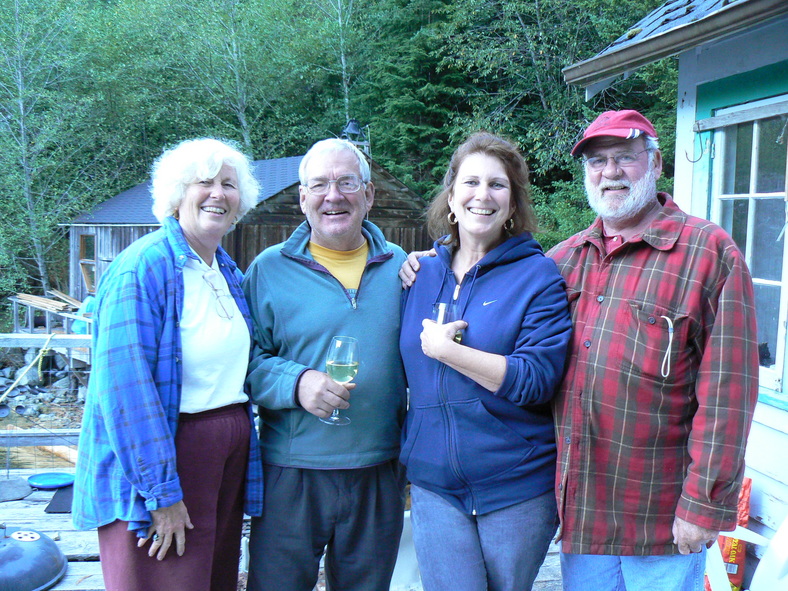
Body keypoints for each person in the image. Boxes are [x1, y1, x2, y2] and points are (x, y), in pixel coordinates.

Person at [547, 110, 759, 590]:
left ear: (656, 163)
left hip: (661, 522)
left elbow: (728, 394)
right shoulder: (564, 261)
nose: (610, 172)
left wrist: (704, 504)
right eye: (597, 161)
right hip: (583, 517)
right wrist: (431, 264)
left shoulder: (709, 253)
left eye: (625, 157)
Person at [72, 138, 264, 591]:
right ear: (178, 194)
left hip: (223, 455)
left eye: (229, 184)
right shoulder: (142, 268)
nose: (218, 193)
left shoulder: (226, 271)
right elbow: (125, 392)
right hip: (167, 457)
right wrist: (161, 494)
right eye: (203, 182)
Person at [399, 132, 572, 590]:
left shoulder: (537, 276)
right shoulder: (419, 273)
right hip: (435, 484)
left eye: (498, 185)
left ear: (512, 204)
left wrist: (449, 353)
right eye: (471, 182)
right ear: (451, 197)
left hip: (515, 483)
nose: (483, 195)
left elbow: (537, 379)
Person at [242, 138, 408, 591]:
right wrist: (295, 382)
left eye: (346, 183)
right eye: (319, 185)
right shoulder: (268, 270)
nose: (333, 196)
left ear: (369, 194)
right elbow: (243, 363)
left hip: (379, 468)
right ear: (302, 198)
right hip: (292, 471)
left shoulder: (402, 268)